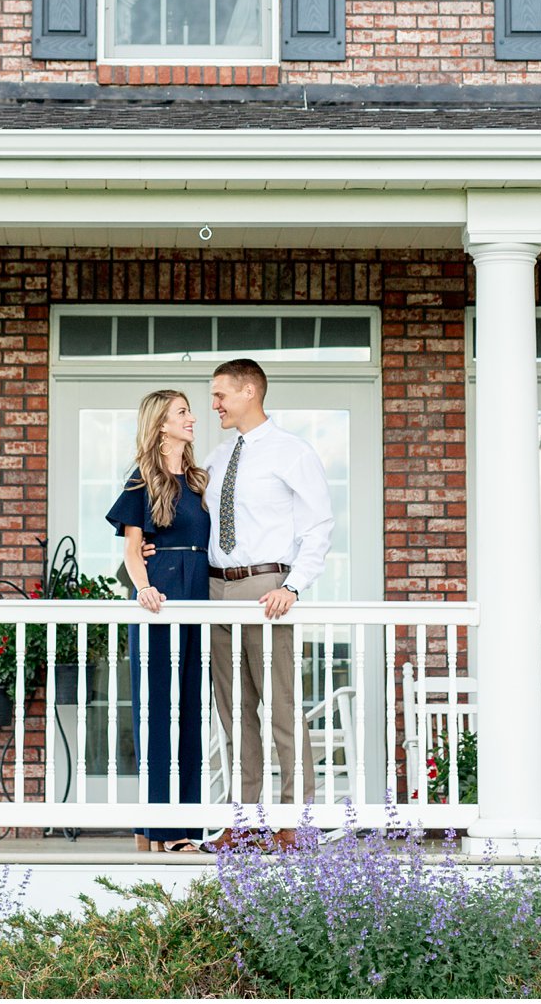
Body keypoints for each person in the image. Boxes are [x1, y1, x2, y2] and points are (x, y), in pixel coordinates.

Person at [202, 357, 332, 850]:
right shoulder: (216, 458)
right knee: (234, 713)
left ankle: (296, 822)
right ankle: (245, 821)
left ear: (250, 391)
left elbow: (318, 525)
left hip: (266, 589)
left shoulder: (291, 452)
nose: (213, 404)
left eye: (221, 395)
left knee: (280, 709)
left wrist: (293, 586)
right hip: (216, 592)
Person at [104, 388, 210, 853]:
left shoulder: (199, 480)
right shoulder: (142, 479)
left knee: (191, 712)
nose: (192, 418)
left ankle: (165, 827)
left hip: (200, 596)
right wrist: (144, 586)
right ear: (162, 424)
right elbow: (131, 550)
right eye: (183, 412)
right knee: (157, 712)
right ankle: (167, 832)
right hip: (160, 599)